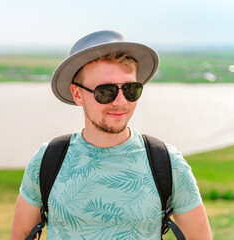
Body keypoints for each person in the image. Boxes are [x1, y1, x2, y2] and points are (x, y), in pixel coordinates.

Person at [11, 30, 212, 240]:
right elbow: (22, 233)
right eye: (105, 91)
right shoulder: (47, 160)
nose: (121, 101)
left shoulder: (167, 163)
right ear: (77, 94)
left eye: (130, 89)